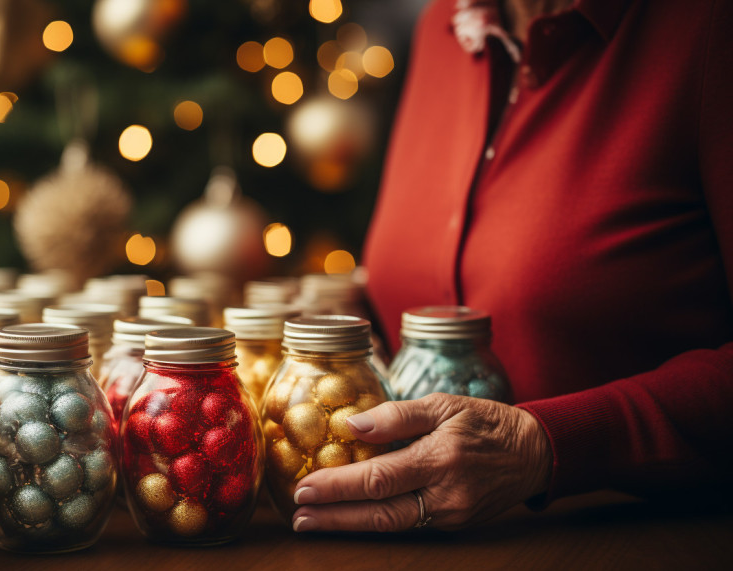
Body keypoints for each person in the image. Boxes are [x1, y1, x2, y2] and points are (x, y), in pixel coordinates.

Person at [290, 0, 733, 532]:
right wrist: (360, 305)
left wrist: (542, 445)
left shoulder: (710, 26)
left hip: (640, 540)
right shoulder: (443, 26)